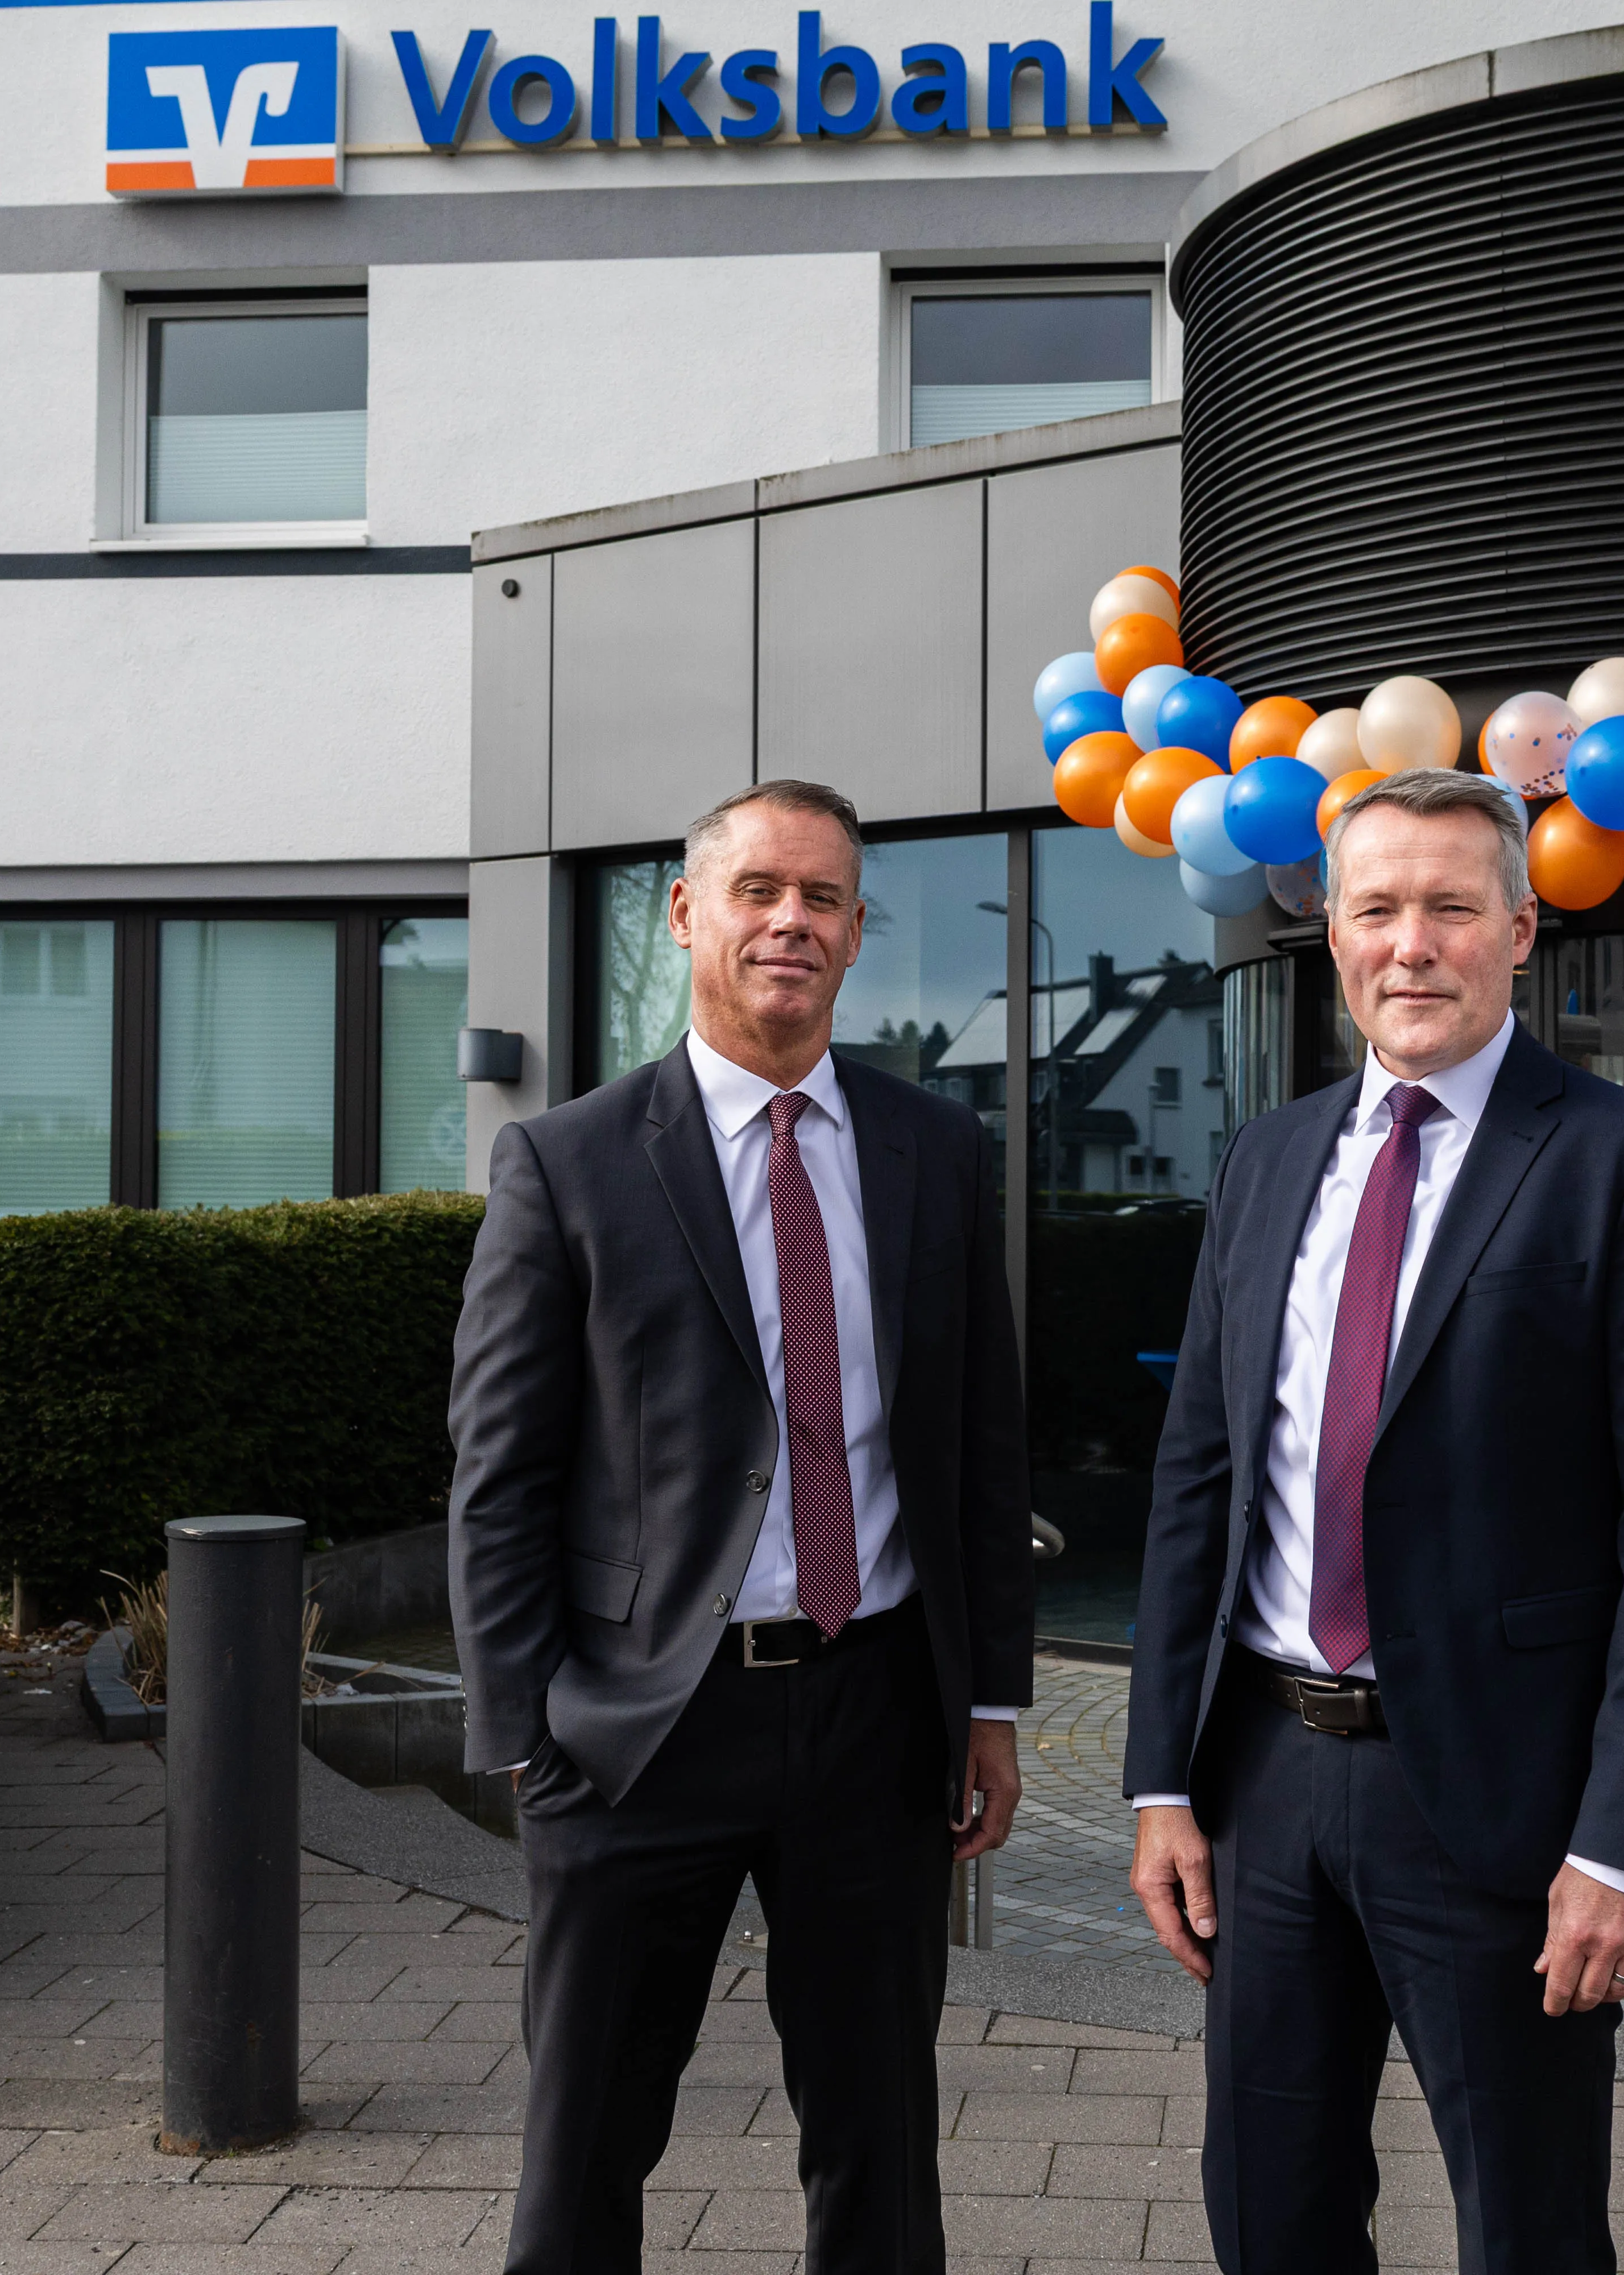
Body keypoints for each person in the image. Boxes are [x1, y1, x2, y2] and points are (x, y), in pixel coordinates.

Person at [1124, 766, 1624, 2275]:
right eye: (1377, 909)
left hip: (1504, 1803)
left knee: (1528, 2229)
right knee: (1268, 2213)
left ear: (1522, 930)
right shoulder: (1267, 1161)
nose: (1411, 944)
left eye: (1450, 909)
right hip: (1266, 1778)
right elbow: (1198, 1479)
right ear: (1332, 935)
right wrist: (1158, 1783)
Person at [447, 780, 1034, 2275]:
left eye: (825, 897)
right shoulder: (569, 1161)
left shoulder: (935, 1150)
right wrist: (526, 1723)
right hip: (641, 1726)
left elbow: (977, 1442)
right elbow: (500, 1467)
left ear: (854, 931)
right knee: (588, 2139)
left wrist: (990, 1701)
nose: (792, 921)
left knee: (880, 2136)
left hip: (877, 1712)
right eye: (761, 889)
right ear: (688, 912)